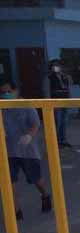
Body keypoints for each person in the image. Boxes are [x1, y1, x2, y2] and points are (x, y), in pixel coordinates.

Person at [2, 82, 53, 221]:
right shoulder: (3, 107)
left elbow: (36, 124)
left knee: (36, 179)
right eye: (3, 93)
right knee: (10, 182)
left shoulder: (26, 105)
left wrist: (29, 135)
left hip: (27, 150)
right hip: (9, 151)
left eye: (8, 92)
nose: (5, 95)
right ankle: (16, 212)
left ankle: (45, 194)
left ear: (16, 91)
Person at [45, 60, 73, 147]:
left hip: (65, 101)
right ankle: (55, 141)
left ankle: (63, 140)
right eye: (54, 65)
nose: (56, 67)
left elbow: (69, 88)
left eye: (58, 65)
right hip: (55, 102)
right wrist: (49, 103)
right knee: (57, 122)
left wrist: (70, 100)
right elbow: (46, 92)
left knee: (64, 121)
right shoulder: (49, 77)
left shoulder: (65, 76)